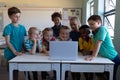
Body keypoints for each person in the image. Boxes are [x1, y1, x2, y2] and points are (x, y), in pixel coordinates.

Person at [86, 14, 120, 80]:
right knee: (99, 73)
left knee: (111, 77)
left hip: (112, 57)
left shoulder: (102, 29)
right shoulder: (95, 32)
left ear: (99, 23)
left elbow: (99, 43)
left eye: (92, 24)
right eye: (89, 24)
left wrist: (93, 56)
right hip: (105, 58)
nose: (90, 26)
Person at [2, 6, 27, 80]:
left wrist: (24, 50)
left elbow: (24, 40)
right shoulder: (8, 27)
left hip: (21, 52)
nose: (18, 18)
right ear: (10, 16)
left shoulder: (23, 27)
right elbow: (8, 42)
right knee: (14, 72)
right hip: (11, 53)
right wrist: (15, 52)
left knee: (25, 69)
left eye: (19, 16)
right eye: (15, 16)